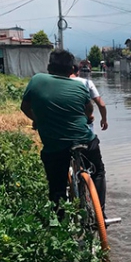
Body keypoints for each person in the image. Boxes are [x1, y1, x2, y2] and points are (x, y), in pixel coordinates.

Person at [20, 50, 107, 218]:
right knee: (98, 172)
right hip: (85, 141)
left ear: (49, 68)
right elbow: (89, 111)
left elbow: (25, 107)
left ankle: (60, 222)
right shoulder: (81, 86)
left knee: (57, 185)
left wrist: (38, 120)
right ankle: (100, 215)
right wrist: (89, 118)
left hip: (55, 146)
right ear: (72, 69)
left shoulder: (37, 80)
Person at [70, 62, 108, 132]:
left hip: (65, 125)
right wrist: (104, 119)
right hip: (85, 124)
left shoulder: (58, 83)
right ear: (78, 71)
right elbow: (101, 105)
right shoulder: (87, 82)